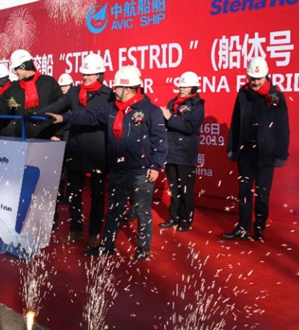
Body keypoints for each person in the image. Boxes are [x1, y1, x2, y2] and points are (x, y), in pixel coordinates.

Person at [47, 66, 167, 260]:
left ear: (127, 89)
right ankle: (107, 245)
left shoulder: (150, 111)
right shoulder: (111, 108)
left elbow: (159, 140)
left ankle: (143, 248)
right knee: (114, 210)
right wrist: (64, 117)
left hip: (141, 172)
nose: (113, 90)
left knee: (143, 212)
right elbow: (89, 116)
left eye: (117, 88)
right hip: (118, 169)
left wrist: (155, 166)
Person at [36, 54, 113, 250]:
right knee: (74, 193)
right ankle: (76, 229)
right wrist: (37, 113)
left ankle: (94, 232)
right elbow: (58, 106)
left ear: (99, 74)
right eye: (84, 73)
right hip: (76, 150)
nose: (85, 77)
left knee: (97, 195)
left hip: (97, 152)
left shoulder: (108, 94)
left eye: (90, 74)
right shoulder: (74, 92)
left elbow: (95, 117)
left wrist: (65, 117)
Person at [222, 57, 289, 241]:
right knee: (244, 192)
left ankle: (259, 227)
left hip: (266, 153)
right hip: (246, 152)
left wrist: (281, 154)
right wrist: (232, 148)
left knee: (262, 193)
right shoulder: (243, 94)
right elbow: (235, 122)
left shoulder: (276, 97)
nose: (255, 82)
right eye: (252, 77)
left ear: (266, 76)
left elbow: (283, 127)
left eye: (258, 78)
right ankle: (242, 228)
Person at [159, 71, 205, 232]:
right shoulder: (173, 103)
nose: (181, 89)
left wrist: (170, 118)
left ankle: (186, 219)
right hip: (171, 152)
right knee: (174, 189)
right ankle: (174, 217)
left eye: (184, 86)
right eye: (180, 86)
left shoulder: (197, 106)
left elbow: (189, 127)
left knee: (185, 189)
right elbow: (166, 121)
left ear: (192, 88)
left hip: (186, 154)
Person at [0, 49, 64, 139]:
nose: (14, 72)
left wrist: (58, 134)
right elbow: (4, 106)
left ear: (24, 66)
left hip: (46, 139)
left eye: (16, 68)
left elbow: (62, 109)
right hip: (22, 140)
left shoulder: (49, 83)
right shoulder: (14, 88)